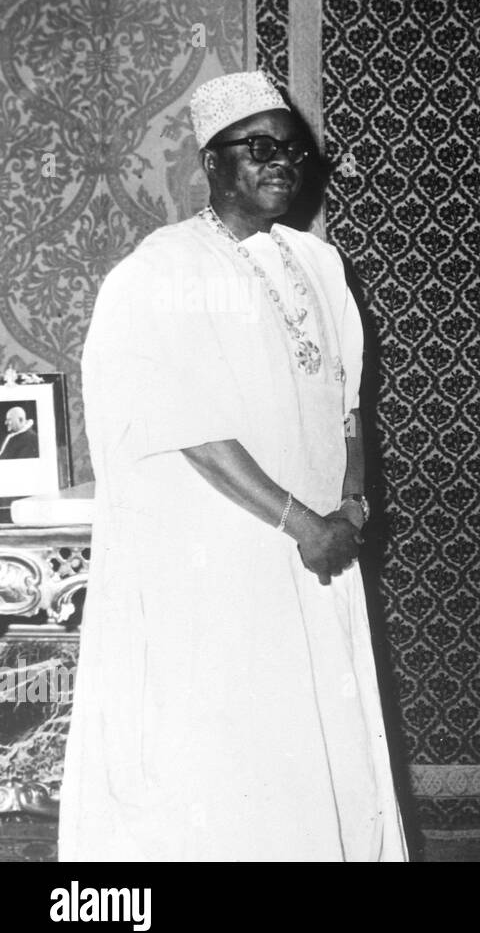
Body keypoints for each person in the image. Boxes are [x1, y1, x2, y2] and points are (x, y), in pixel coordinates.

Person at [61, 71, 407, 860]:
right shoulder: (160, 271)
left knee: (322, 747)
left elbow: (348, 400)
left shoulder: (319, 264)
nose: (280, 163)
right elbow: (187, 426)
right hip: (224, 565)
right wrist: (299, 523)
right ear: (211, 163)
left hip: (319, 549)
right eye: (258, 148)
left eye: (290, 149)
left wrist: (351, 501)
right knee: (237, 762)